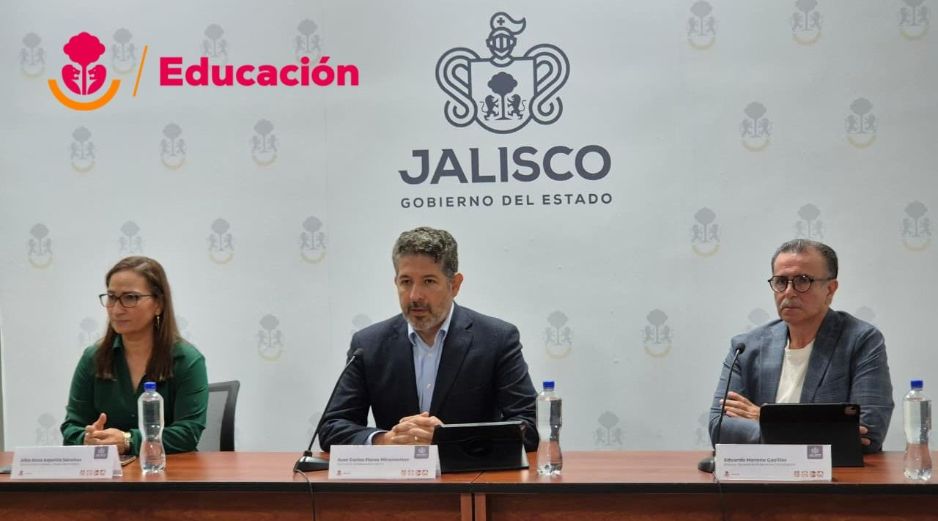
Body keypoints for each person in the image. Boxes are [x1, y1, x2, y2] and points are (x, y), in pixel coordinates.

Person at [318, 227, 539, 451]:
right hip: (397, 482)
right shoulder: (368, 345)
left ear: (455, 285)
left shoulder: (496, 339)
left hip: (469, 480)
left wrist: (448, 439)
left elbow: (529, 426)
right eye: (406, 282)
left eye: (429, 282)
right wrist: (385, 440)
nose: (415, 296)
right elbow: (332, 428)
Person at [708, 239, 894, 452]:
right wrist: (817, 432)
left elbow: (869, 432)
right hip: (761, 476)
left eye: (802, 281)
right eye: (780, 281)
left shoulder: (860, 340)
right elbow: (719, 428)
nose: (789, 292)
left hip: (835, 478)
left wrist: (765, 418)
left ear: (830, 290)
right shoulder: (747, 346)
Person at [61, 256, 208, 455]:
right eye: (112, 297)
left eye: (130, 297)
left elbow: (188, 433)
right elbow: (72, 427)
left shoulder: (186, 360)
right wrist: (88, 438)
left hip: (168, 473)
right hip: (109, 477)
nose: (117, 309)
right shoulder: (93, 358)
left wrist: (129, 440)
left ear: (158, 304)